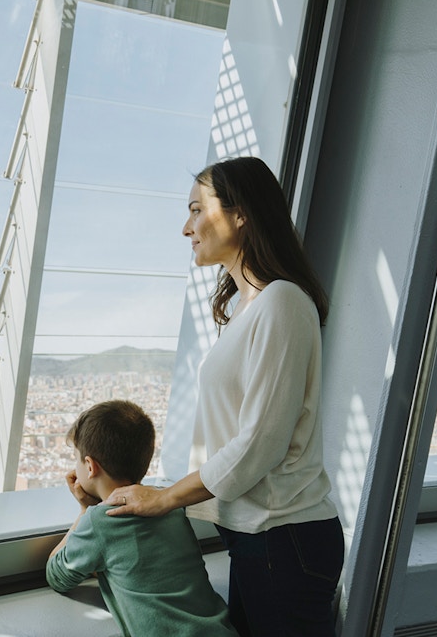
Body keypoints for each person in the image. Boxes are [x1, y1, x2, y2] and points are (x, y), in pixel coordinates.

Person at [105, 157, 344, 637]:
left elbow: (260, 444)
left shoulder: (282, 303)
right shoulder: (248, 308)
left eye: (197, 210)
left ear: (241, 214)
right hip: (263, 540)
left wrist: (164, 499)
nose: (186, 227)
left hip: (284, 539)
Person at [45, 400, 237, 637]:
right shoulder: (168, 504)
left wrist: (85, 511)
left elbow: (57, 575)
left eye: (75, 458)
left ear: (90, 466)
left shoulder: (100, 521)